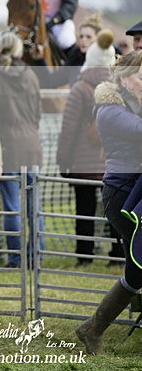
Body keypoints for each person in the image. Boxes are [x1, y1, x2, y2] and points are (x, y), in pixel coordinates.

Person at [76, 50, 142, 354]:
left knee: (138, 265)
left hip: (134, 190)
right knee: (138, 266)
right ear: (125, 78)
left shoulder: (132, 103)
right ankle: (93, 329)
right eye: (141, 75)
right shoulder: (110, 110)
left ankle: (92, 328)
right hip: (122, 195)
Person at [0, 32, 44, 269]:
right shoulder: (31, 76)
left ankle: (16, 258)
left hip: (7, 146)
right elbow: (38, 112)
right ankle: (36, 256)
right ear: (19, 50)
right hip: (32, 144)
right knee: (34, 206)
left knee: (12, 206)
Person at [57, 29, 115, 266]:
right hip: (113, 160)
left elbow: (69, 128)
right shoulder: (120, 86)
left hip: (82, 161)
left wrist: (63, 160)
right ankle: (119, 255)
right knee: (115, 210)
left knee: (84, 210)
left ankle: (85, 255)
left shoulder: (80, 88)